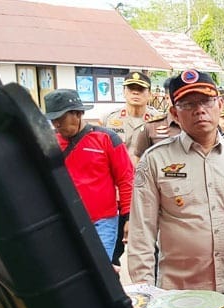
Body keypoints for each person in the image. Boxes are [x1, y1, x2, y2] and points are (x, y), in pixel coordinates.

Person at [128, 69, 224, 308]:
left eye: (206, 101)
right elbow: (141, 232)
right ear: (174, 113)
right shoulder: (155, 160)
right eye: (188, 104)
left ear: (219, 105)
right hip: (179, 291)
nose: (199, 110)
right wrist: (143, 293)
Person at [44, 89, 134, 260]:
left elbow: (126, 179)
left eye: (61, 118)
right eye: (53, 119)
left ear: (78, 113)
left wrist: (129, 218)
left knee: (101, 267)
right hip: (64, 222)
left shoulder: (107, 138)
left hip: (103, 222)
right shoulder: (48, 143)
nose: (56, 124)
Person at [102, 71, 158, 267]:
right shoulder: (109, 120)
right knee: (112, 247)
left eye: (140, 89)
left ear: (149, 93)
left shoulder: (158, 121)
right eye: (131, 89)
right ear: (124, 92)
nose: (135, 93)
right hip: (117, 194)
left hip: (148, 191)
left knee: (152, 246)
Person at [133, 78, 182, 160]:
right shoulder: (151, 126)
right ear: (167, 98)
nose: (180, 101)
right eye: (176, 96)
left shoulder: (198, 125)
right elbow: (139, 160)